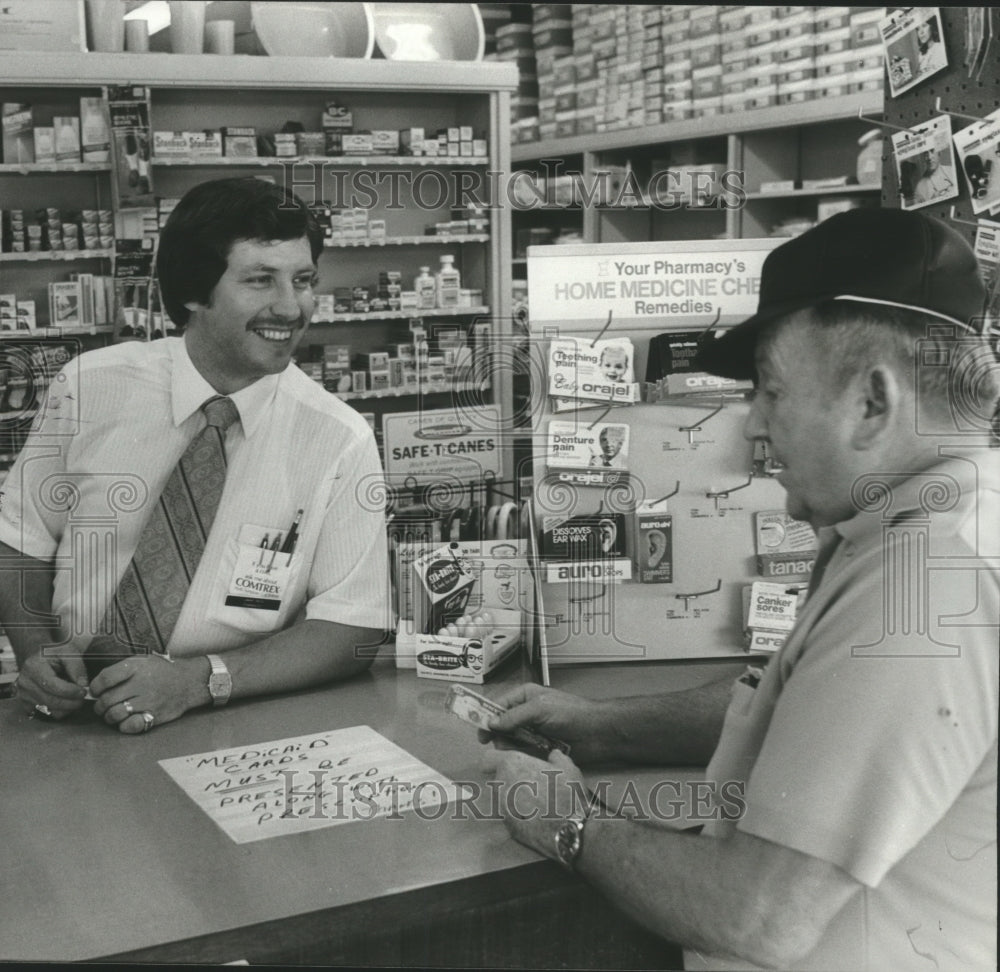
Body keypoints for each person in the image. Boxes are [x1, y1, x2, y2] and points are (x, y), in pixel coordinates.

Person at [483, 208, 999, 971]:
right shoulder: (929, 525)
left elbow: (759, 915)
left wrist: (567, 822)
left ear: (873, 402)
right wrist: (598, 727)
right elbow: (804, 711)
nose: (754, 429)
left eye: (770, 392)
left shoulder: (924, 583)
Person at [0, 177, 389, 734]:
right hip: (65, 718)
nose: (291, 305)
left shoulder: (338, 438)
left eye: (303, 280)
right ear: (192, 291)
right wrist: (38, 652)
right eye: (260, 280)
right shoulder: (90, 387)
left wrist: (201, 679)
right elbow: (20, 541)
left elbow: (351, 628)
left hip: (227, 721)